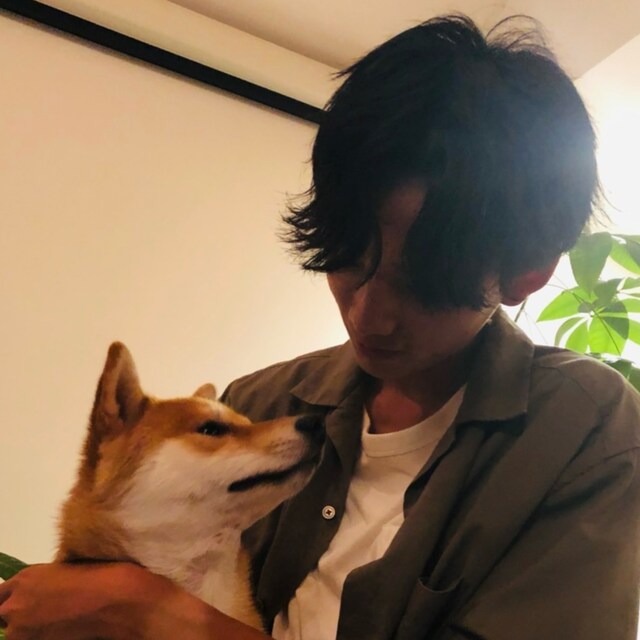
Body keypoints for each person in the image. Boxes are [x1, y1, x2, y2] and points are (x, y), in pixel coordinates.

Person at [2, 13, 640, 640]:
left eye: (423, 286)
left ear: (527, 272)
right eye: (347, 258)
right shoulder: (261, 401)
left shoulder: (583, 432)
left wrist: (157, 617)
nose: (368, 315)